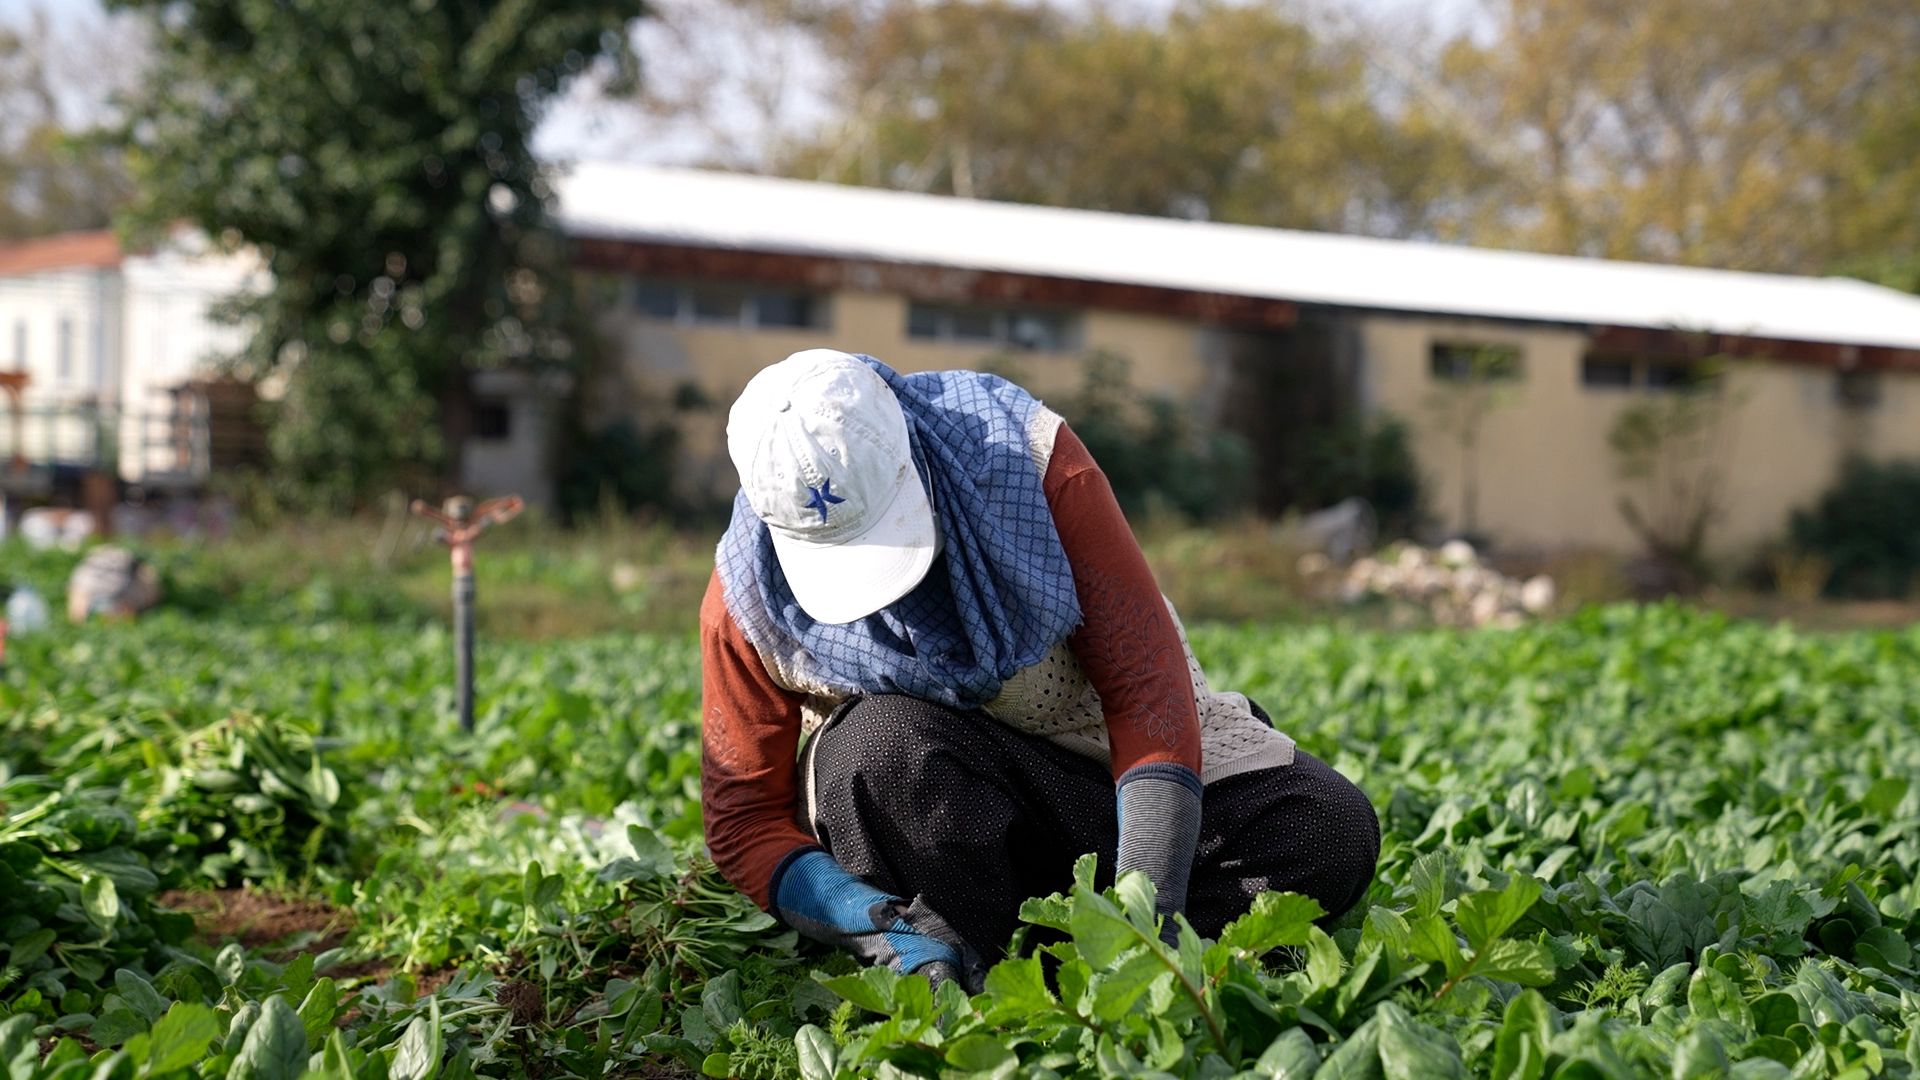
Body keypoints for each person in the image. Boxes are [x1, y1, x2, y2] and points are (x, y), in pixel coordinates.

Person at [701, 349, 1379, 989]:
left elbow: (1146, 691)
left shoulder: (1026, 461)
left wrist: (1148, 905)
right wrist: (866, 921)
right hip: (934, 815)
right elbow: (742, 818)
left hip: (1092, 773)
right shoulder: (745, 599)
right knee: (875, 746)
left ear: (912, 459)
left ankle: (1057, 969)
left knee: (1328, 829)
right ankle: (966, 963)